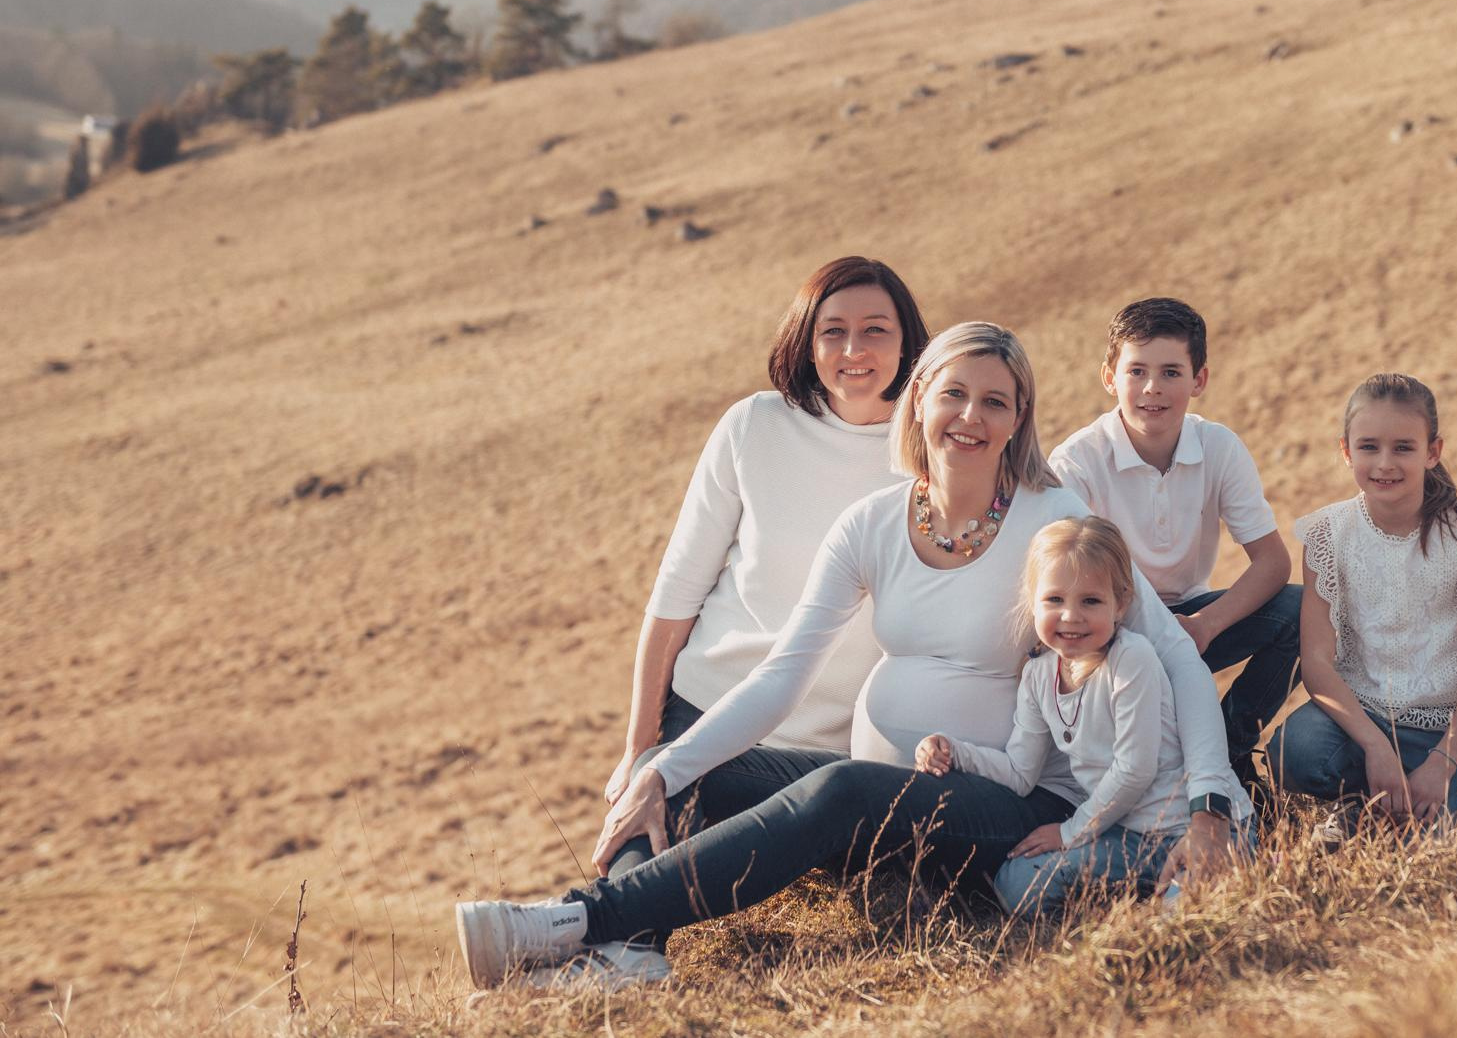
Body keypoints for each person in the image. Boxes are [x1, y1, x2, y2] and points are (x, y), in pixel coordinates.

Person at [456, 323, 1243, 991]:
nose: (971, 416)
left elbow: (1173, 657)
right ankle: (631, 952)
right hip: (886, 803)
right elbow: (782, 673)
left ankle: (575, 918)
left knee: (839, 788)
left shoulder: (1056, 518)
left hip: (1012, 803)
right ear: (921, 398)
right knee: (687, 764)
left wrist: (1210, 807)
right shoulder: (870, 522)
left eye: (995, 401)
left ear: (1017, 419)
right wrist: (658, 770)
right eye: (954, 394)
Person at [599, 257, 930, 890]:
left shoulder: (931, 452)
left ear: (907, 340)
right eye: (833, 331)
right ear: (807, 341)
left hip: (824, 751)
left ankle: (595, 927)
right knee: (647, 812)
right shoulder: (754, 426)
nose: (853, 350)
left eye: (876, 330)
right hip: (704, 707)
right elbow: (676, 597)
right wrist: (639, 747)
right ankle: (603, 948)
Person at [916, 517, 1253, 916]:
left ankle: (1210, 880)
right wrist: (955, 751)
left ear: (1120, 604)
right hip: (1129, 836)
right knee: (1017, 885)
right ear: (1033, 601)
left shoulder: (1132, 659)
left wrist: (1069, 832)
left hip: (1194, 826)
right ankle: (1143, 898)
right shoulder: (1038, 676)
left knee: (1193, 914)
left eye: (1090, 601)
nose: (1071, 616)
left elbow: (1135, 770)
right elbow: (1020, 772)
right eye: (1054, 600)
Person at [1265, 373, 1457, 860]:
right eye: (1369, 447)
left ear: (1433, 451)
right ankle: (1356, 804)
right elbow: (1318, 663)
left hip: (1443, 726)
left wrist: (1443, 764)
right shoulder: (1326, 534)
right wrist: (1374, 748)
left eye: (1403, 447)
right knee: (1292, 753)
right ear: (1346, 451)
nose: (1385, 463)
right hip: (1358, 717)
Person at [1049, 298, 1296, 785]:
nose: (1152, 389)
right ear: (1109, 377)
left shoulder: (1219, 447)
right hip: (1111, 630)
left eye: (1170, 372)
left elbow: (1272, 562)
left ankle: (1232, 745)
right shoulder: (1076, 463)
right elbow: (1067, 581)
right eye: (1136, 371)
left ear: (1198, 380)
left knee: (1302, 611)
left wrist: (1205, 624)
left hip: (1189, 619)